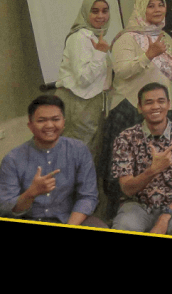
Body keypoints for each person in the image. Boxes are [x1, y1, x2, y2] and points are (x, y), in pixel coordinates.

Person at [105, 0, 172, 206]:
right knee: (125, 163)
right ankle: (119, 207)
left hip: (160, 109)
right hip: (130, 108)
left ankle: (151, 203)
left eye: (160, 5)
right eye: (150, 6)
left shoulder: (166, 38)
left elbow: (170, 74)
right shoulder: (127, 38)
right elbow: (122, 71)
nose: (157, 9)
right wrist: (148, 54)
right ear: (140, 9)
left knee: (153, 160)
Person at [110, 83, 172, 235]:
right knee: (124, 226)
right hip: (138, 205)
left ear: (169, 104)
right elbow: (127, 188)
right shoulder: (125, 138)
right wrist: (153, 170)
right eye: (149, 102)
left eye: (161, 101)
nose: (155, 107)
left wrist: (165, 217)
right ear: (139, 107)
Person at [0, 95, 103, 227]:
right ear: (30, 125)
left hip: (70, 219)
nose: (49, 125)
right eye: (41, 120)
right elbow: (5, 207)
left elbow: (88, 197)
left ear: (64, 122)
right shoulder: (13, 159)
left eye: (55, 119)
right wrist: (31, 194)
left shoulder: (79, 150)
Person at [55, 0, 112, 171]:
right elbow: (83, 78)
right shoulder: (79, 37)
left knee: (89, 155)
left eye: (105, 11)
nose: (101, 16)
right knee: (77, 156)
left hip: (91, 102)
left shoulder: (94, 36)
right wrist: (100, 54)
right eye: (94, 11)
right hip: (78, 101)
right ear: (85, 13)